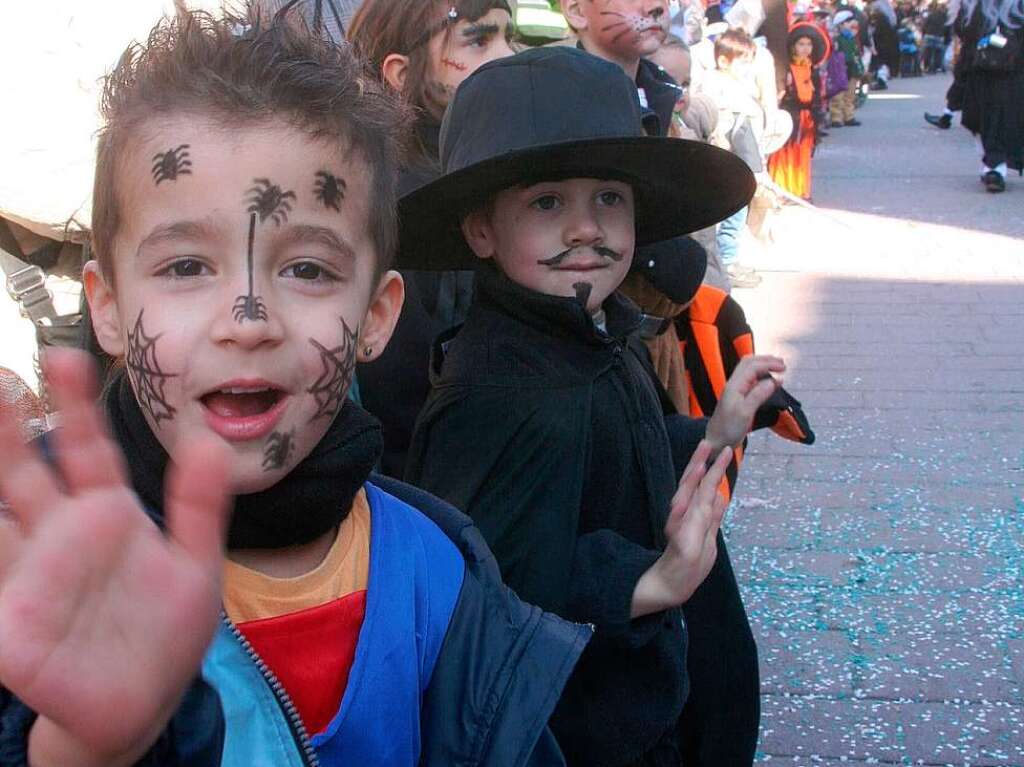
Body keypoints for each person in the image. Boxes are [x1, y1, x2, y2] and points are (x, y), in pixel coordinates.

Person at [0, 9, 590, 766]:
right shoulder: (32, 552)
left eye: (307, 269)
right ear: (107, 306)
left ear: (376, 317)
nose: (247, 320)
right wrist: (74, 748)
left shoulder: (439, 573)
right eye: (185, 266)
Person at [402, 47, 784, 767]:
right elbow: (490, 576)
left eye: (608, 198)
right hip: (575, 730)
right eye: (547, 203)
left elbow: (624, 451)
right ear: (482, 229)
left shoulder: (600, 333)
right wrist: (646, 582)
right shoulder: (493, 389)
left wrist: (716, 429)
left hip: (644, 700)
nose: (586, 228)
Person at [346, 0, 515, 478]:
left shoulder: (465, 171)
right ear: (400, 72)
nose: (506, 55)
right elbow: (402, 397)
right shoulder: (407, 201)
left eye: (508, 36)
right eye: (478, 40)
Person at [698, 28, 765, 288]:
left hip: (725, 164)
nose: (748, 69)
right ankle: (727, 261)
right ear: (724, 60)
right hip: (728, 165)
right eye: (744, 62)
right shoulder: (723, 89)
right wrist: (756, 169)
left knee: (729, 215)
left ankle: (727, 259)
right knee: (732, 214)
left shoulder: (723, 85)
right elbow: (740, 134)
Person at [956, 0, 1024, 192]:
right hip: (1010, 75)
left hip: (984, 72)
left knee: (983, 119)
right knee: (1002, 119)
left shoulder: (976, 8)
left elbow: (963, 31)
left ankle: (994, 166)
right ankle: (995, 165)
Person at [769, 22, 830, 199]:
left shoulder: (813, 70)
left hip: (808, 118)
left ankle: (800, 190)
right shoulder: (786, 69)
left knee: (802, 155)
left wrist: (817, 116)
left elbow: (817, 95)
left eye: (809, 44)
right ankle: (783, 190)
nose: (805, 49)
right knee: (785, 154)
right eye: (801, 44)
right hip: (791, 116)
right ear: (793, 46)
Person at [831, 10, 866, 126]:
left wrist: (860, 68)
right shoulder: (837, 39)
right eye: (847, 22)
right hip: (841, 70)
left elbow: (856, 54)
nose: (850, 24)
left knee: (850, 95)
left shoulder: (852, 38)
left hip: (852, 69)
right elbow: (835, 55)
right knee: (838, 95)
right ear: (840, 25)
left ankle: (849, 116)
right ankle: (836, 118)